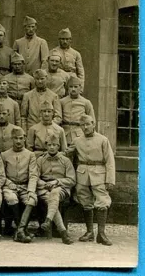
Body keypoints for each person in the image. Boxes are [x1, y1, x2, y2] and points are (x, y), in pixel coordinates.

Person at [70, 115, 115, 246]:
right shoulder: (77, 141)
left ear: (93, 124)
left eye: (88, 124)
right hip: (82, 173)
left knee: (102, 200)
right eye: (82, 125)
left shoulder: (103, 140)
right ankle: (90, 232)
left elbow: (110, 160)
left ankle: (101, 233)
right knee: (85, 201)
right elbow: (68, 153)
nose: (85, 127)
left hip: (99, 173)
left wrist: (110, 179)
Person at [36, 133, 76, 244]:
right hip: (43, 188)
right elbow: (35, 176)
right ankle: (63, 232)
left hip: (61, 188)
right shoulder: (40, 160)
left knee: (54, 193)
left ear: (58, 146)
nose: (52, 147)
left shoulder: (65, 161)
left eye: (54, 145)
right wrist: (44, 184)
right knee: (51, 197)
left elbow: (72, 180)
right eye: (49, 145)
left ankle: (48, 220)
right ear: (46, 146)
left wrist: (57, 182)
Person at [1, 128, 38, 243]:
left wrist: (31, 190)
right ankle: (21, 230)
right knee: (11, 198)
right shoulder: (4, 154)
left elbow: (33, 175)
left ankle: (20, 230)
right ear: (11, 139)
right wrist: (9, 183)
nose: (18, 141)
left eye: (21, 138)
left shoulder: (30, 155)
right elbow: (1, 175)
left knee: (31, 200)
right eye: (16, 138)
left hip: (25, 186)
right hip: (9, 186)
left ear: (25, 139)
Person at [60, 77, 95, 145]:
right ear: (67, 88)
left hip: (80, 132)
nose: (73, 89)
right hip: (65, 133)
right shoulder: (62, 102)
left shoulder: (86, 102)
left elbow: (92, 120)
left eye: (76, 87)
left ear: (80, 88)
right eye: (71, 87)